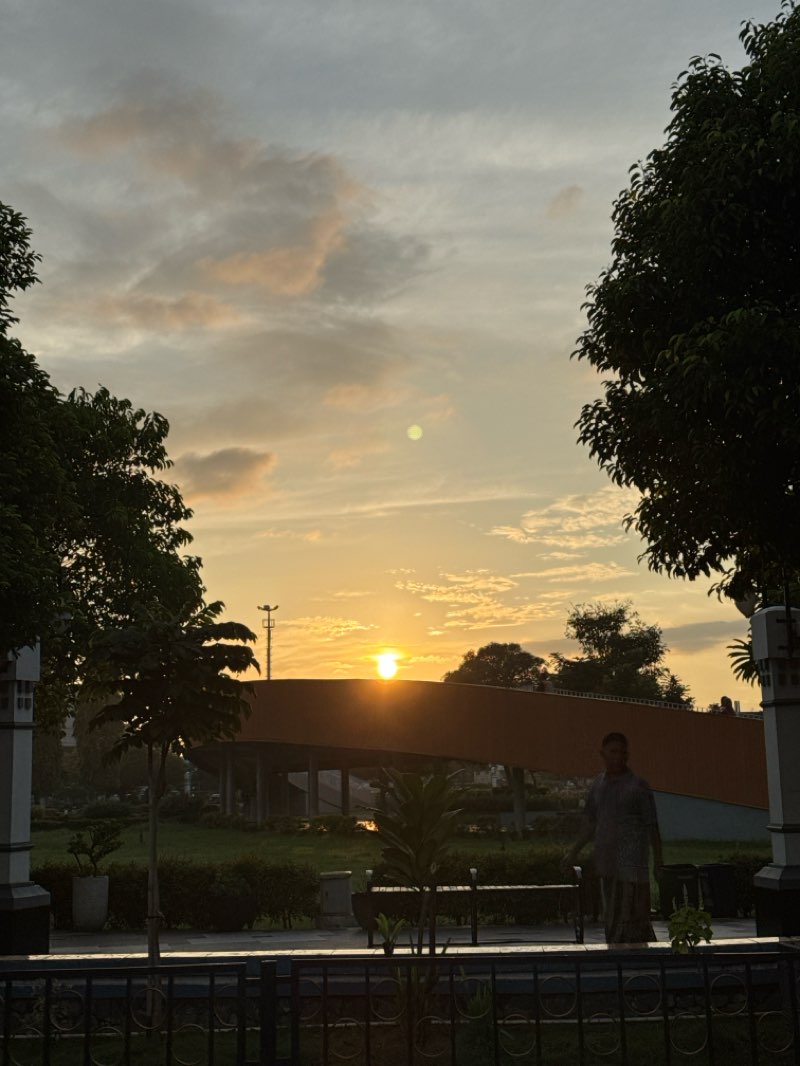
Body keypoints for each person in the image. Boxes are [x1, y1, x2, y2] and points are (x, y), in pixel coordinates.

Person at [562, 732, 663, 944]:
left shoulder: (638, 787)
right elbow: (590, 823)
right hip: (607, 867)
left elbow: (652, 826)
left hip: (632, 869)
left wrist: (659, 862)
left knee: (634, 923)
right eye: (613, 751)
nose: (618, 757)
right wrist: (574, 851)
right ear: (603, 754)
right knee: (613, 921)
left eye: (622, 752)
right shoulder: (598, 785)